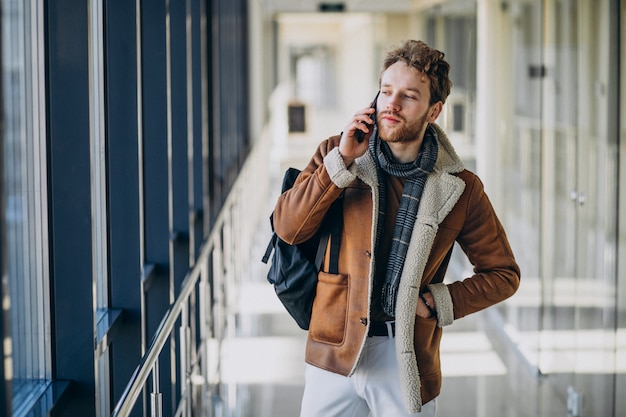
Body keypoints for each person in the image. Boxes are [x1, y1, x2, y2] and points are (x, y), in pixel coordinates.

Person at [272, 39, 520, 417]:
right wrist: (340, 164)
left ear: (434, 110)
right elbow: (288, 228)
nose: (392, 104)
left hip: (405, 354)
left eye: (409, 96)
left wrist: (438, 302)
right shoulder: (334, 155)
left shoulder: (461, 187)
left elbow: (503, 273)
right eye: (386, 91)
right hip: (333, 347)